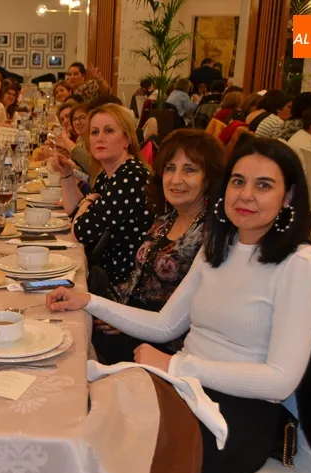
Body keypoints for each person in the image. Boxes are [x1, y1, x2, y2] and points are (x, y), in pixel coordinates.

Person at [47, 137, 311, 473]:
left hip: (234, 419)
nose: (245, 195)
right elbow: (166, 324)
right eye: (238, 181)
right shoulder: (219, 245)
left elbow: (279, 381)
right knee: (71, 409)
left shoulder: (302, 264)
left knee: (98, 445)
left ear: (288, 197)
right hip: (183, 389)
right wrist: (89, 302)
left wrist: (177, 365)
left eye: (264, 185)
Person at [91, 130, 225, 364]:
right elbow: (138, 279)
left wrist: (124, 321)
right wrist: (115, 310)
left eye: (189, 170)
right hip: (131, 322)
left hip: (162, 346)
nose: (176, 179)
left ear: (209, 178)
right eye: (170, 168)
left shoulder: (210, 234)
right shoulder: (166, 218)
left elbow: (187, 315)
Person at [52, 103, 154, 286]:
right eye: (95, 132)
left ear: (126, 139)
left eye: (109, 131)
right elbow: (75, 213)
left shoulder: (131, 177)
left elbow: (81, 231)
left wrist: (89, 199)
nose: (100, 138)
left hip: (125, 283)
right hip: (106, 272)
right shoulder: (109, 174)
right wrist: (66, 174)